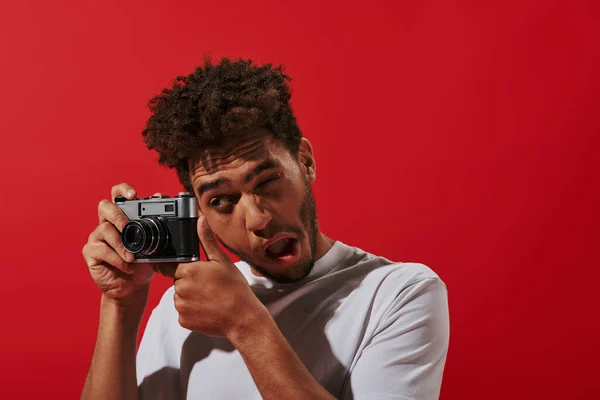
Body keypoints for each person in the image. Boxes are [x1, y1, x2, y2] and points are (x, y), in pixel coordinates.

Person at [81, 57, 450, 400]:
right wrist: (120, 304)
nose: (257, 219)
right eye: (222, 201)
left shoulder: (399, 293)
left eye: (268, 181)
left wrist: (244, 322)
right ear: (199, 212)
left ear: (304, 162)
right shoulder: (183, 307)